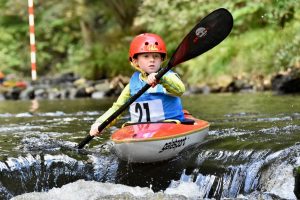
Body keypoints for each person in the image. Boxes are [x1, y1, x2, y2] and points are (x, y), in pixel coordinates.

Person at [89, 33, 185, 136]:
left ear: (161, 59)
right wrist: (100, 123)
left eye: (156, 56)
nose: (152, 59)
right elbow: (118, 108)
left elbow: (180, 90)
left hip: (169, 127)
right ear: (136, 61)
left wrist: (161, 78)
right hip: (141, 130)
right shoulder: (132, 85)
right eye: (146, 56)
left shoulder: (168, 77)